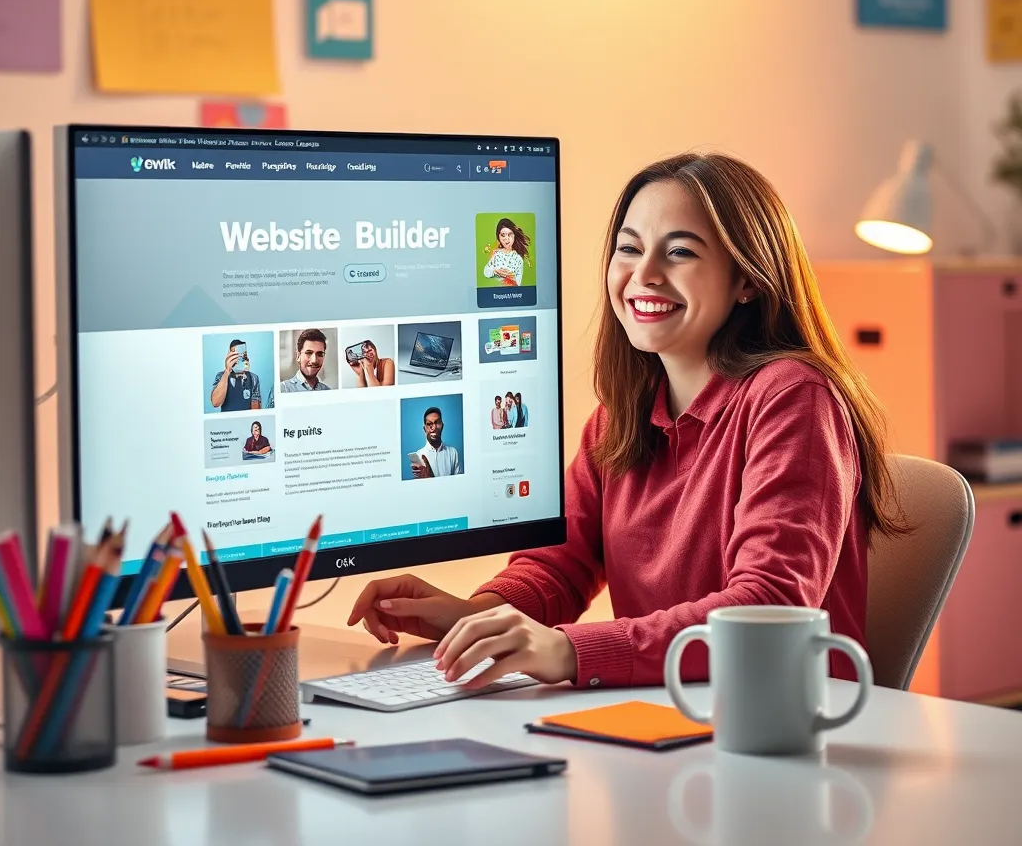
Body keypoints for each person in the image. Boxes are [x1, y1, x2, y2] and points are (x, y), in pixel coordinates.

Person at [348, 151, 908, 693]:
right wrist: (471, 618)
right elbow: (560, 567)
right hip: (663, 716)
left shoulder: (793, 398)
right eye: (629, 249)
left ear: (748, 280)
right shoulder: (621, 417)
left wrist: (570, 650)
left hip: (781, 729)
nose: (645, 275)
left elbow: (769, 607)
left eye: (680, 253)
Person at [210, 338, 262, 412]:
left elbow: (255, 409)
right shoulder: (221, 376)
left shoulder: (253, 378)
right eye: (234, 354)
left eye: (242, 354)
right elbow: (215, 403)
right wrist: (227, 371)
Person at [410, 406, 462, 478]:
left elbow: (459, 482)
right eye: (429, 424)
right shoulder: (419, 455)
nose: (434, 427)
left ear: (442, 426)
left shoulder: (453, 452)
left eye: (437, 423)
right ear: (424, 429)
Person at [483, 218, 530, 287]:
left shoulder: (518, 258)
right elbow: (486, 272)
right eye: (503, 235)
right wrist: (495, 271)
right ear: (498, 236)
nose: (506, 239)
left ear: (514, 235)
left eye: (510, 234)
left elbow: (518, 283)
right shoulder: (497, 254)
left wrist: (508, 279)